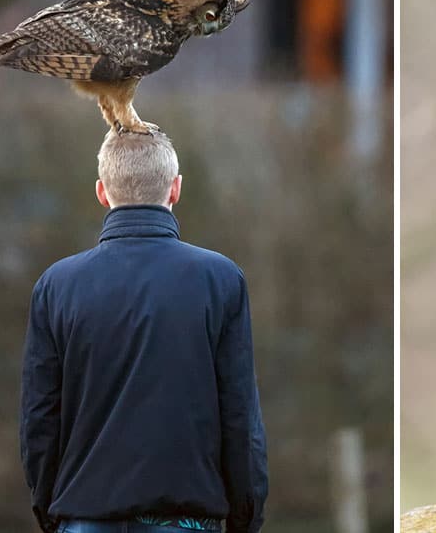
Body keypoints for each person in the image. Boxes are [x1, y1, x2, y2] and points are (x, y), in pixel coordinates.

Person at [20, 130, 268, 533]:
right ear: (175, 189)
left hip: (84, 518)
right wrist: (245, 518)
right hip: (188, 523)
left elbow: (39, 420)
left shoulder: (56, 285)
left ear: (102, 192)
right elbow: (240, 419)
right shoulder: (219, 279)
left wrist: (52, 513)